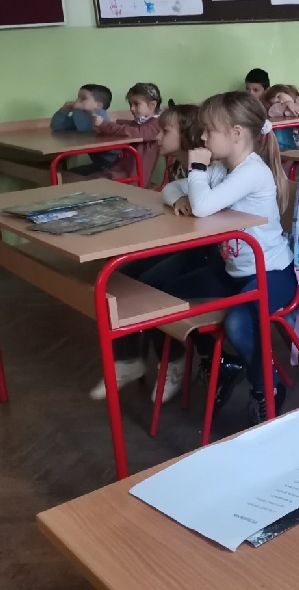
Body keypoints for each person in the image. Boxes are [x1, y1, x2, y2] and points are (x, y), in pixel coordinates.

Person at [159, 92, 297, 425]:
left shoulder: (252, 171)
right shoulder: (222, 169)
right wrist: (180, 199)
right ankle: (220, 363)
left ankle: (267, 388)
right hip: (234, 272)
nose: (202, 137)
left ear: (236, 134)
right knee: (167, 295)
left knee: (238, 323)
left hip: (271, 273)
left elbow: (203, 205)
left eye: (209, 130)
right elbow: (171, 189)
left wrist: (196, 167)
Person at [89, 103, 213, 401]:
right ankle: (128, 360)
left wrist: (179, 194)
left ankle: (174, 361)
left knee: (151, 288)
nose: (157, 137)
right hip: (182, 245)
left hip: (205, 253)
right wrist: (177, 196)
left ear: (188, 134)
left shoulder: (208, 168)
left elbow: (197, 202)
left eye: (164, 131)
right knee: (120, 277)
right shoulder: (180, 165)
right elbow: (171, 190)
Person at [92, 82, 163, 185]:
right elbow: (129, 126)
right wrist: (103, 127)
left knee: (96, 181)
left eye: (136, 104)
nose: (132, 109)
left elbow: (135, 132)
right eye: (130, 104)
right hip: (125, 169)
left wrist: (105, 125)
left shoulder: (157, 124)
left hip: (135, 177)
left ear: (152, 105)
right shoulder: (141, 122)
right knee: (94, 178)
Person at [51, 84, 118, 175]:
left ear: (98, 105)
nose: (77, 101)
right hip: (99, 164)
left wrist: (85, 109)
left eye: (83, 98)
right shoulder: (79, 114)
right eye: (77, 98)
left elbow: (99, 125)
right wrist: (63, 111)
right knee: (67, 174)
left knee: (70, 175)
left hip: (115, 163)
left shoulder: (100, 115)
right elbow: (56, 126)